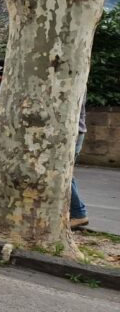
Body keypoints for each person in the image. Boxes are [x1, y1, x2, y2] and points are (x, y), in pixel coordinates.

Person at [70, 96, 89, 229]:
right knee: (67, 175)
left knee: (62, 176)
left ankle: (79, 213)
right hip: (76, 131)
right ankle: (76, 213)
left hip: (73, 132)